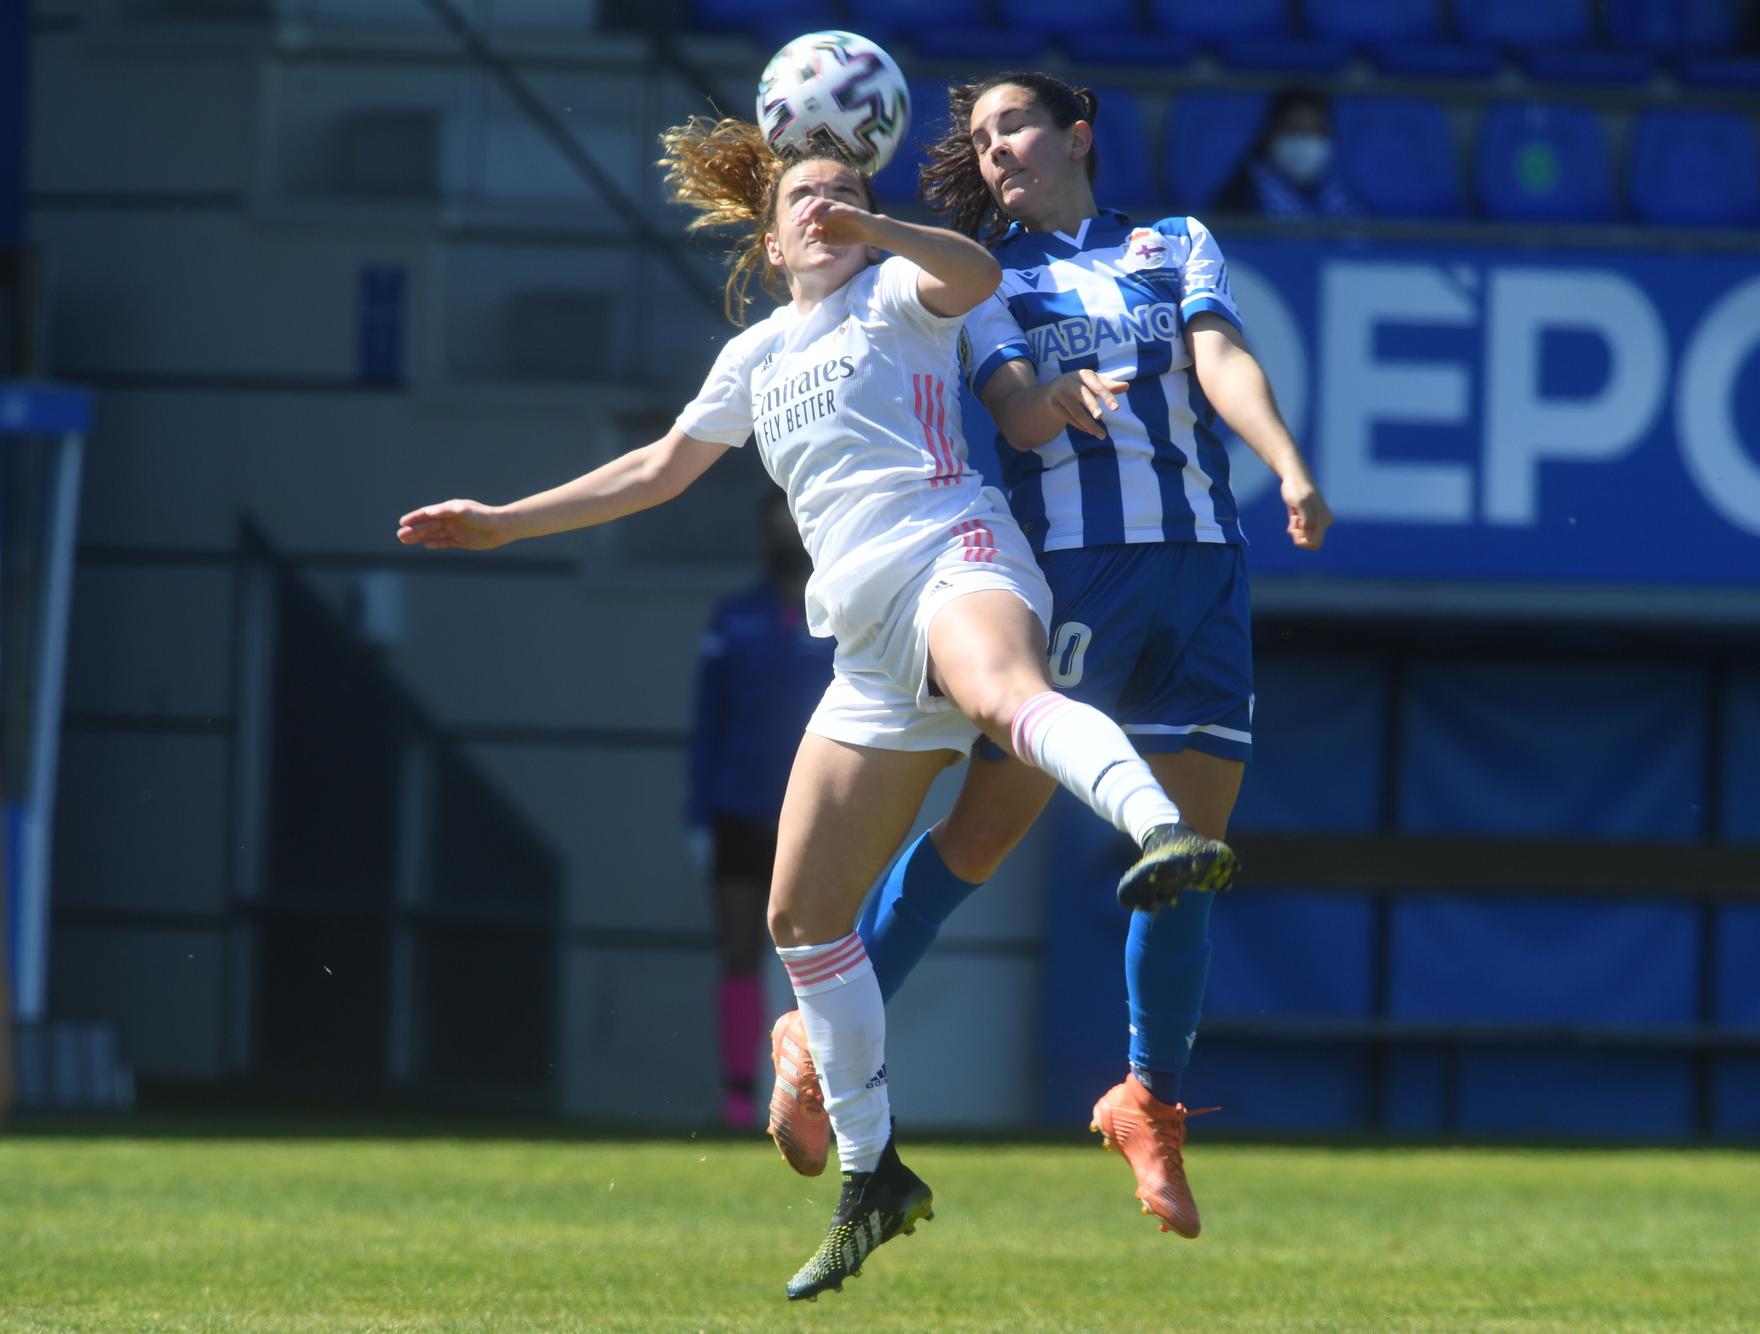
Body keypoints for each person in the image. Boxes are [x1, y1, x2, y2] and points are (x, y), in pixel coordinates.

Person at [396, 117, 1238, 1301]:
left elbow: (976, 272)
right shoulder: (753, 356)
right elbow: (654, 471)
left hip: (955, 553)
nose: (826, 205)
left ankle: (1161, 833)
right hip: (861, 641)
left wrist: (878, 221)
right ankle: (873, 1172)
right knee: (801, 918)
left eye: (846, 188)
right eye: (807, 193)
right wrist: (503, 520)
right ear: (769, 227)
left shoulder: (900, 285)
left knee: (1010, 697)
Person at [765, 72, 1333, 1241]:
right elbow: (1014, 412)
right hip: (1077, 572)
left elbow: (1219, 358)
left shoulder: (1173, 241)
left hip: (1203, 572)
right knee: (977, 839)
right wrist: (1048, 397)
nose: (994, 151)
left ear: (1077, 134)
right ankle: (817, 1031)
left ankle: (1146, 1099)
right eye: (977, 139)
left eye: (1012, 125)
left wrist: (1283, 460)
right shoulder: (977, 275)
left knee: (1191, 852)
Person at [687, 488, 835, 1129]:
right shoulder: (732, 618)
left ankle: (819, 1094)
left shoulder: (838, 616)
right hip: (739, 809)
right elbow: (705, 724)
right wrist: (697, 815)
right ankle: (738, 1093)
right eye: (775, 525)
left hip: (819, 814)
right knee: (740, 951)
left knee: (824, 957)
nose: (785, 538)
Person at [1214, 87, 1361, 219]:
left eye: (1317, 131)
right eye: (1295, 130)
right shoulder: (1238, 201)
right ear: (1269, 134)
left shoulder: (1337, 195)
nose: (1306, 142)